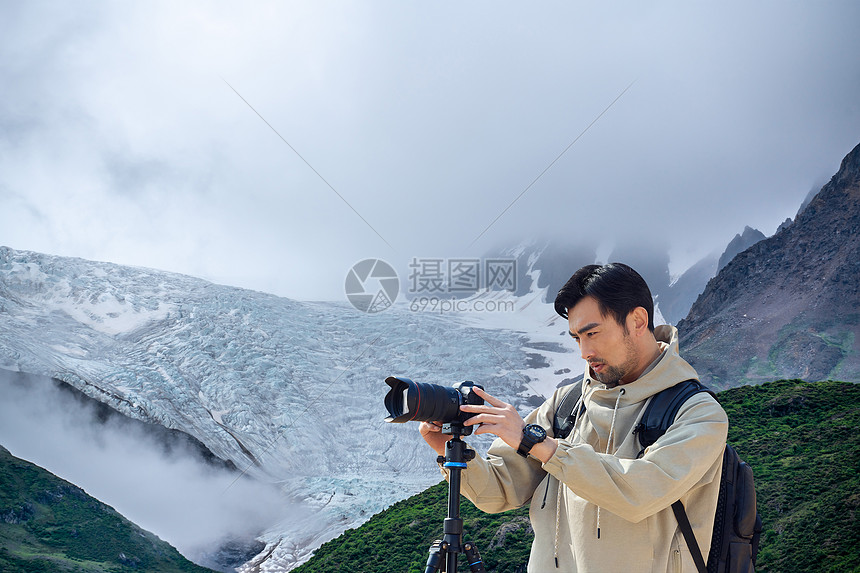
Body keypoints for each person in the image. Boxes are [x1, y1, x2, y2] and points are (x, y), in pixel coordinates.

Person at [420, 263, 728, 572]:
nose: (584, 351)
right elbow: (499, 492)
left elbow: (639, 492)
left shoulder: (699, 414)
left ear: (637, 320)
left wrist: (536, 443)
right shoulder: (566, 404)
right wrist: (449, 449)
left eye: (592, 333)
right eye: (576, 338)